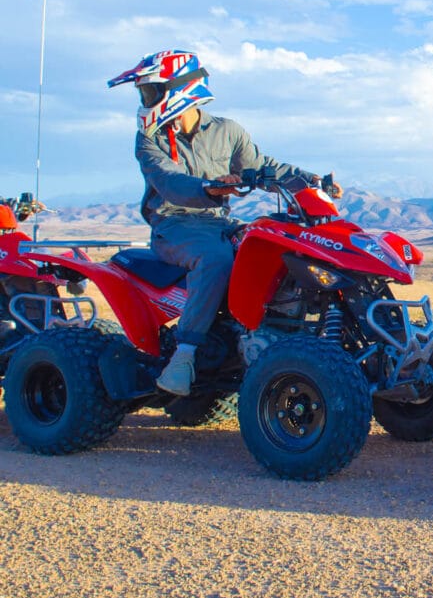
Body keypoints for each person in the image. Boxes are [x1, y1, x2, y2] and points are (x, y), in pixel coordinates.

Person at [108, 50, 332, 397]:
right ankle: (184, 356)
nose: (145, 101)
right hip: (174, 224)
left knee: (274, 247)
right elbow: (167, 181)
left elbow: (263, 166)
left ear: (181, 89)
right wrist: (208, 187)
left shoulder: (227, 131)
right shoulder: (150, 139)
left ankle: (269, 333)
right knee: (216, 258)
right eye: (145, 93)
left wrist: (311, 181)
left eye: (151, 92)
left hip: (219, 222)